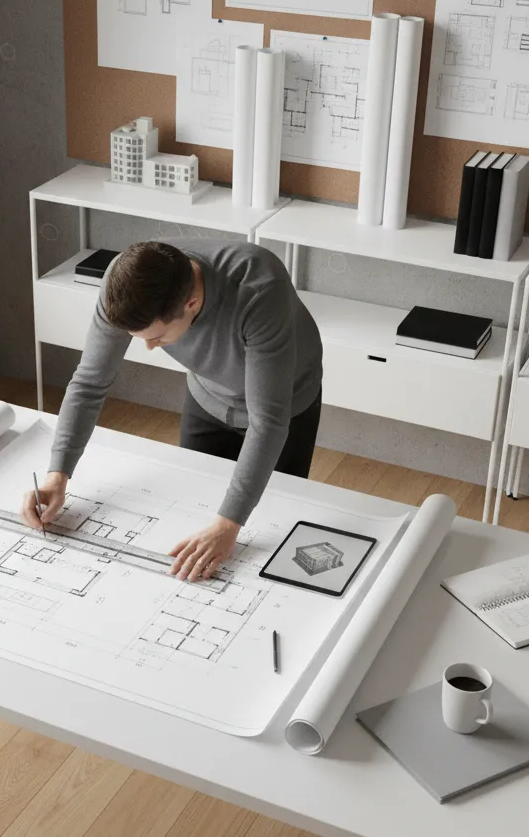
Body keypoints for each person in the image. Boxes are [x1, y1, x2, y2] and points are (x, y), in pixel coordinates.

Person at [21, 238, 323, 582]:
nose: (150, 347)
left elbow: (267, 422)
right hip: (208, 392)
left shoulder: (259, 290)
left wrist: (228, 524)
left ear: (191, 303)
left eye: (158, 337)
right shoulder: (125, 285)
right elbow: (90, 382)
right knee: (192, 508)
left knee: (271, 519)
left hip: (286, 403)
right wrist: (57, 475)